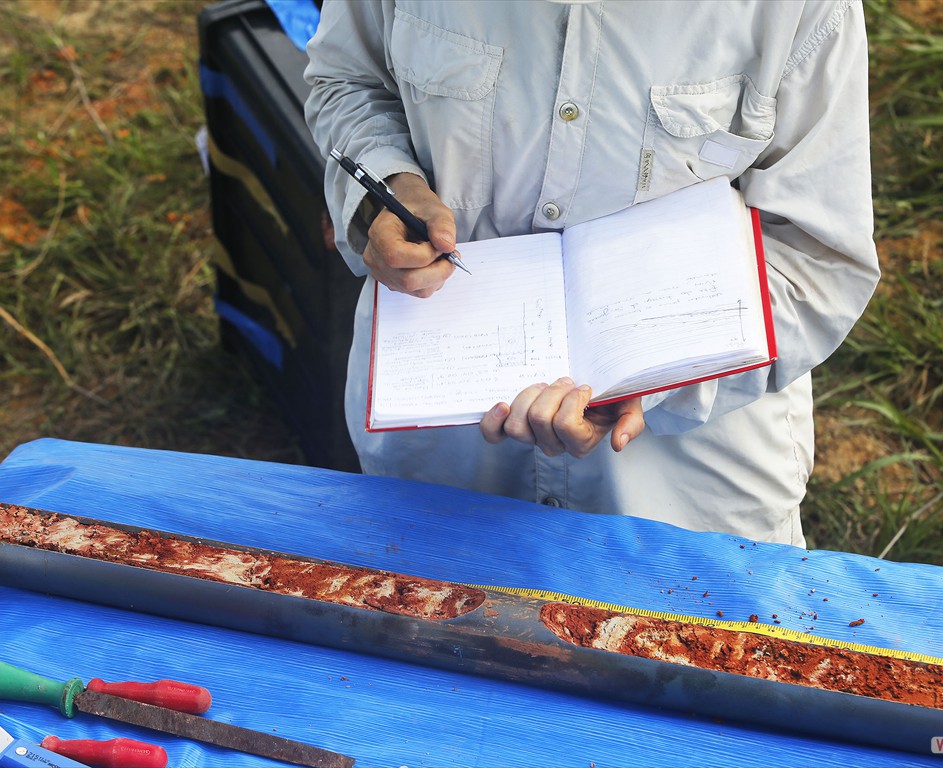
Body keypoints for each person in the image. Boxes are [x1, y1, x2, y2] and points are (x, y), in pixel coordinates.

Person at [303, 0, 879, 546]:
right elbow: (348, 80)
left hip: (689, 493)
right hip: (439, 459)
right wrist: (384, 191)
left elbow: (814, 256)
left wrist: (649, 384)